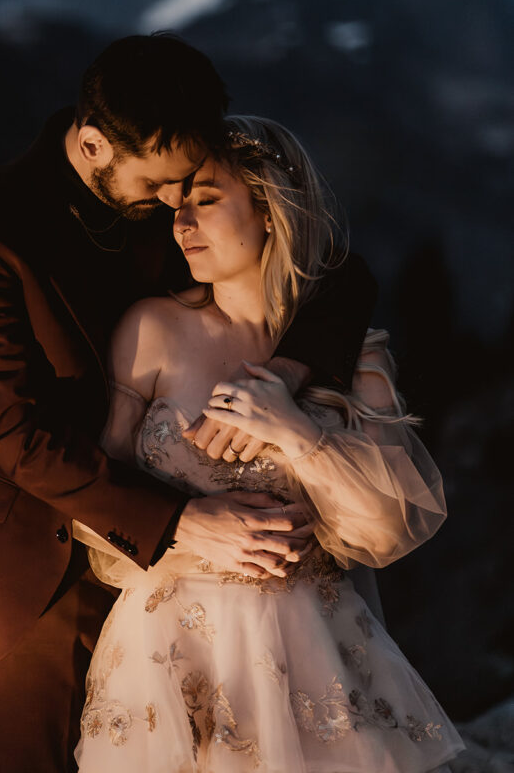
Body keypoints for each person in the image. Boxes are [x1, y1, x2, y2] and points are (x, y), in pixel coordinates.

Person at [0, 34, 377, 773]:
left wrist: (284, 372)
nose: (176, 204)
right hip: (40, 551)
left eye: (188, 185)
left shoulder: (176, 192)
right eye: (162, 184)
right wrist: (176, 523)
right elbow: (14, 433)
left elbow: (336, 271)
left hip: (202, 574)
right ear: (93, 144)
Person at [73, 115, 465, 773]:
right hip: (169, 647)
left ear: (270, 210)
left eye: (205, 200)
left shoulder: (354, 354)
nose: (181, 223)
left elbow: (387, 532)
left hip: (312, 645)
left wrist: (294, 429)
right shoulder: (151, 329)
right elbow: (90, 501)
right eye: (176, 206)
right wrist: (183, 530)